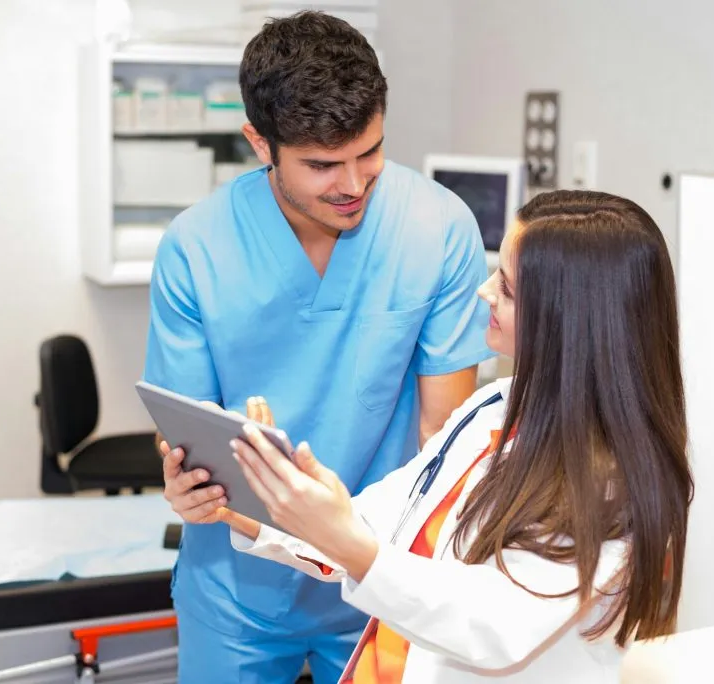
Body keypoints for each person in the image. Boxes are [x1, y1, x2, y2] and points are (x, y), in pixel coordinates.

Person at [143, 11, 493, 684]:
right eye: (322, 165)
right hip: (238, 583)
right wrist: (184, 484)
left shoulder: (438, 228)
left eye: (370, 152)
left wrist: (417, 582)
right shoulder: (196, 248)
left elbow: (441, 437)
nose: (354, 185)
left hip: (381, 573)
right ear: (259, 142)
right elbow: (186, 429)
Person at [220, 190, 694, 682]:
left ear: (567, 318)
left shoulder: (606, 482)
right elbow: (383, 519)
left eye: (507, 288)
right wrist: (260, 506)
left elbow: (491, 627)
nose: (484, 292)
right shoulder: (497, 405)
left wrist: (350, 544)